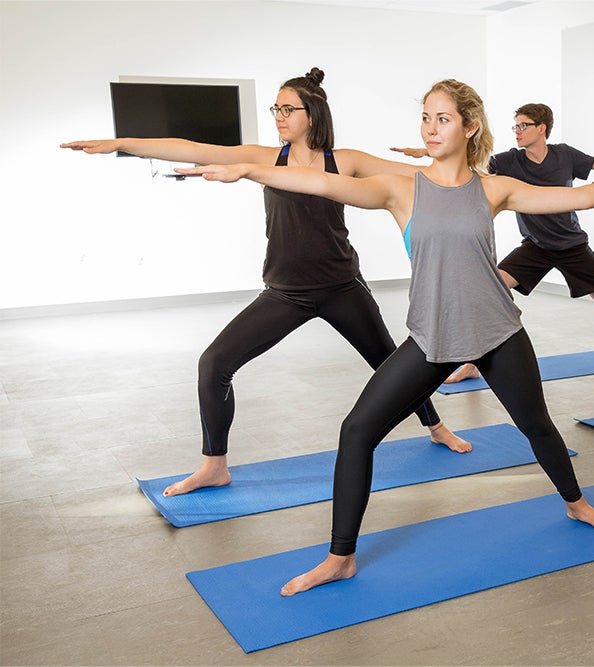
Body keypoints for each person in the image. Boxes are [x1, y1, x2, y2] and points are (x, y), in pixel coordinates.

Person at [177, 78, 594, 595]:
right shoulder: (400, 187)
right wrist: (247, 169)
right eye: (425, 117)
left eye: (442, 118)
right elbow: (322, 184)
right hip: (432, 340)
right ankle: (340, 557)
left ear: (470, 126)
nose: (430, 128)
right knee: (356, 432)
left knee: (536, 427)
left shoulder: (493, 189)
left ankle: (576, 502)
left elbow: (577, 195)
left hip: (497, 333)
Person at [61, 67, 472, 498]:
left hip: (342, 288)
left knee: (389, 365)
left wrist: (436, 155)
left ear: (311, 114)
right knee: (214, 365)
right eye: (275, 107)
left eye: (287, 108)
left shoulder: (344, 160)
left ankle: (437, 426)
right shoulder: (265, 157)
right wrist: (121, 143)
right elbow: (194, 148)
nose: (278, 115)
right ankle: (213, 466)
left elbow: (423, 177)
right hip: (285, 293)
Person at [393, 102, 594, 385]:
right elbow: (468, 162)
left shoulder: (565, 155)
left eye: (523, 125)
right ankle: (473, 361)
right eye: (515, 126)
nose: (518, 132)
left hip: (572, 245)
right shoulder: (510, 161)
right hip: (535, 247)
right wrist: (429, 151)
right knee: (487, 290)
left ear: (541, 128)